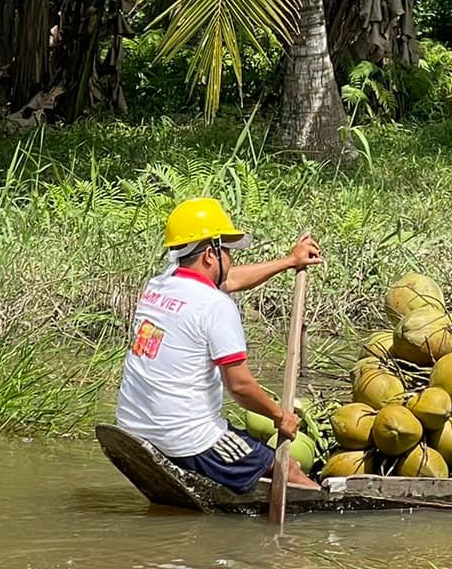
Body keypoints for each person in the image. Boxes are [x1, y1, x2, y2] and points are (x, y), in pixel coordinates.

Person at [116, 197, 324, 492]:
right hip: (188, 439)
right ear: (210, 256)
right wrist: (281, 416)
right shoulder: (215, 305)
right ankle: (320, 525)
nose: (231, 258)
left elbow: (231, 279)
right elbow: (239, 386)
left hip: (133, 426)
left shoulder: (159, 284)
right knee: (285, 468)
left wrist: (289, 262)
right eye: (226, 250)